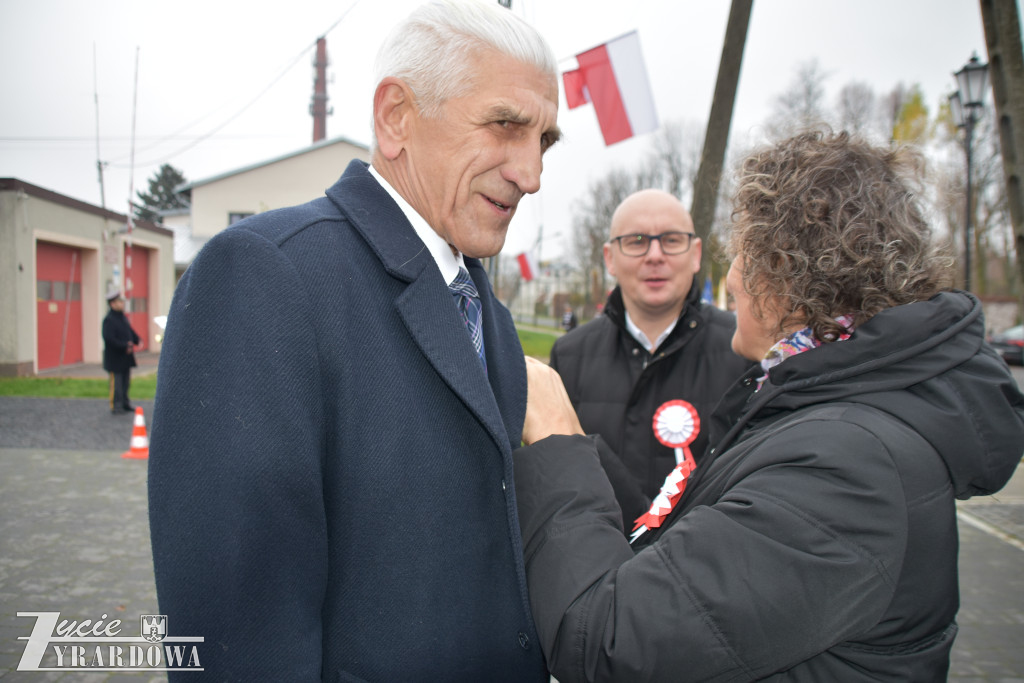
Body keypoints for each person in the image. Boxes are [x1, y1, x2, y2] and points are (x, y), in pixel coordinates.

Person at [513, 130, 1024, 681]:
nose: (730, 277)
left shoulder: (850, 467)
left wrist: (558, 441)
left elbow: (609, 642)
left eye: (744, 254)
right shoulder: (828, 408)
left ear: (790, 275)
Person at [148, 1, 560, 680]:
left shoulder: (485, 307)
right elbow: (238, 629)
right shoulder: (265, 275)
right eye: (506, 125)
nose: (532, 172)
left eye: (544, 140)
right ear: (396, 116)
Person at [549, 189, 752, 526]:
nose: (655, 255)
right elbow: (557, 482)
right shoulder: (570, 355)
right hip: (595, 562)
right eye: (636, 240)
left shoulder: (742, 350)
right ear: (610, 257)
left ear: (696, 253)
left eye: (671, 240)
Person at [101, 286, 140, 414]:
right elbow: (109, 339)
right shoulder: (109, 320)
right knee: (116, 385)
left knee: (125, 383)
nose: (122, 304)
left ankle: (125, 403)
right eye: (119, 302)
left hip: (125, 359)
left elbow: (129, 331)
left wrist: (136, 339)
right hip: (115, 359)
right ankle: (116, 405)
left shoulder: (122, 317)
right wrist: (125, 345)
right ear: (112, 304)